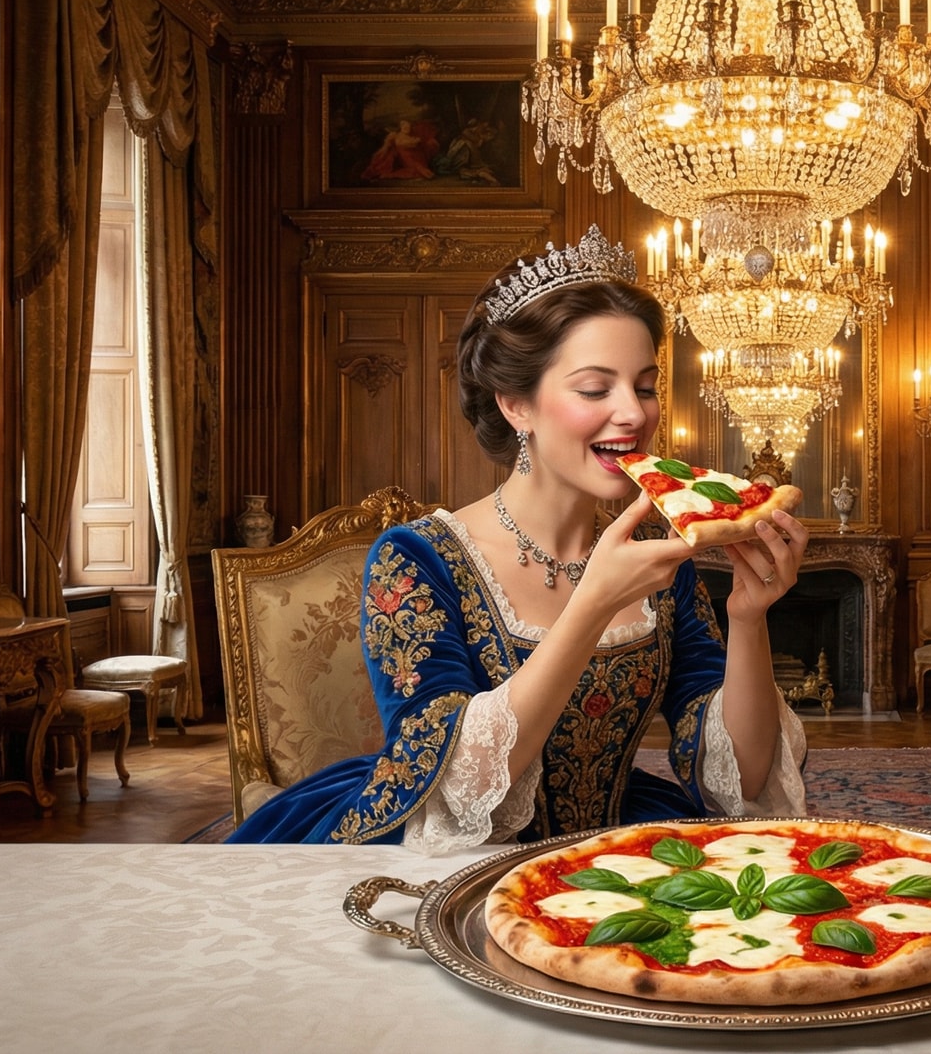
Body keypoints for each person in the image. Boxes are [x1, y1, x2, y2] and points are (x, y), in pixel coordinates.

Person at [229, 227, 809, 846]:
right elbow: (454, 786)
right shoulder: (416, 559)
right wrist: (593, 603)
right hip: (445, 847)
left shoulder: (661, 563)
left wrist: (749, 618)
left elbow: (739, 778)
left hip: (611, 844)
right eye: (595, 388)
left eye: (644, 387)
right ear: (516, 405)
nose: (635, 415)